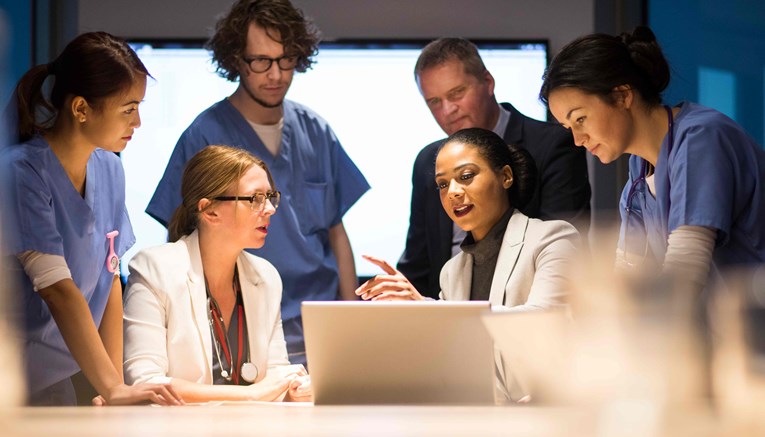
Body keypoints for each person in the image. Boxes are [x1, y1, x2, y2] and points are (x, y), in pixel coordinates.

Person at [145, 0, 369, 367]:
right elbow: (181, 239)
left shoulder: (315, 130)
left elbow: (336, 234)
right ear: (236, 60)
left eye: (286, 60)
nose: (276, 74)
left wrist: (350, 324)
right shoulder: (205, 136)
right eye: (261, 61)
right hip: (244, 327)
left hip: (320, 327)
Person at [0, 32, 182, 406]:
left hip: (59, 381)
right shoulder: (22, 173)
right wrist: (115, 388)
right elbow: (57, 290)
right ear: (81, 109)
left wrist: (111, 388)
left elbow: (109, 279)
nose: (139, 122)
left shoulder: (109, 168)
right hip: (12, 383)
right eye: (129, 109)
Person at [540, 26, 765, 294]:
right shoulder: (640, 169)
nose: (578, 140)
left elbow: (685, 267)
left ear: (622, 95)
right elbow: (627, 269)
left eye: (580, 119)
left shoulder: (701, 138)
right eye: (569, 128)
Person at [397, 38, 590, 299]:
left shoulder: (552, 145)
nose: (448, 110)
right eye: (434, 101)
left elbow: (561, 249)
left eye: (457, 93)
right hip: (445, 311)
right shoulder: (427, 161)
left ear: (488, 83)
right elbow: (418, 263)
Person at [124, 145, 311, 402]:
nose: (270, 209)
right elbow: (145, 382)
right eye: (255, 198)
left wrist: (293, 389)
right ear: (210, 211)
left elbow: (275, 374)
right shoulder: (153, 269)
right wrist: (249, 395)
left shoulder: (266, 276)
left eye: (270, 196)